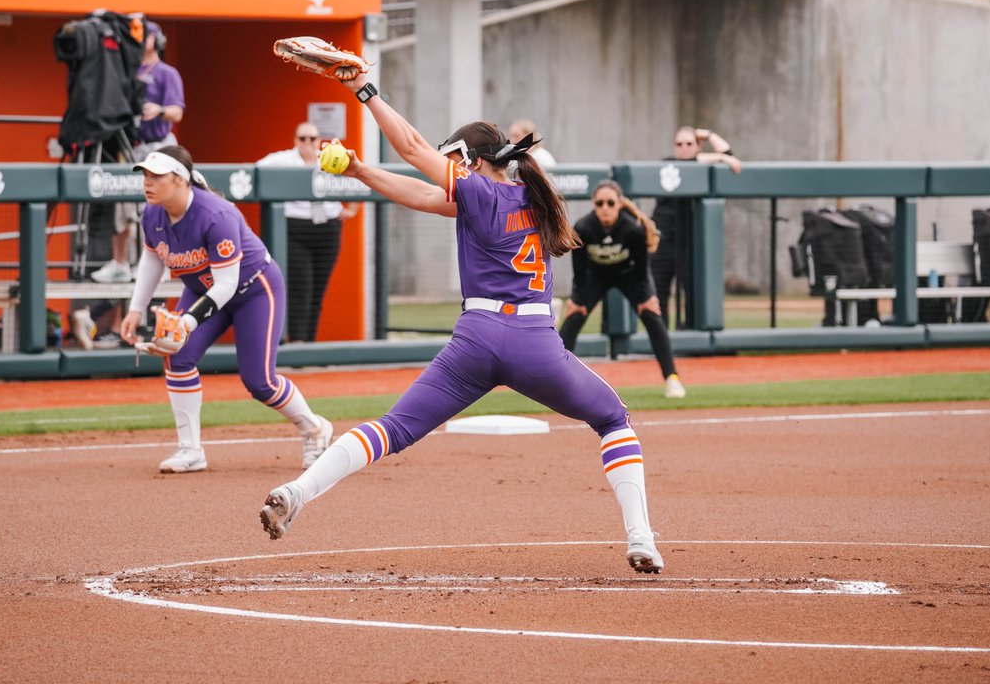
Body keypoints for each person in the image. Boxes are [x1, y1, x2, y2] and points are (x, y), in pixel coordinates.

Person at [258, 72, 666, 575]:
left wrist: (365, 90)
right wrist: (361, 170)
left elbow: (410, 148)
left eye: (452, 159)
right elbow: (421, 193)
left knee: (392, 428)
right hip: (537, 342)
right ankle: (641, 537)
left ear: (470, 162)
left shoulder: (478, 192)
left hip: (477, 339)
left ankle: (299, 492)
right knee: (612, 420)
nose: (446, 169)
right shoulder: (533, 197)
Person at [117, 145, 333, 473]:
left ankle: (315, 429)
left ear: (180, 180)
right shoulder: (152, 213)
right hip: (203, 290)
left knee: (260, 381)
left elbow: (227, 284)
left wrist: (187, 321)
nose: (148, 182)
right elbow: (152, 257)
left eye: (157, 176)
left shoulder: (215, 215)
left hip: (254, 290)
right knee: (177, 357)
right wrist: (136, 308)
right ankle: (190, 450)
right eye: (146, 175)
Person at [560, 179, 686, 399]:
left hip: (628, 275)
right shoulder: (583, 228)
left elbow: (641, 268)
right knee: (573, 317)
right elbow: (579, 271)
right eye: (600, 203)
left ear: (619, 204)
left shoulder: (633, 229)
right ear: (593, 204)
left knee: (653, 315)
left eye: (610, 202)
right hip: (596, 275)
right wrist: (577, 300)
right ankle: (556, 379)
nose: (605, 208)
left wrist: (645, 298)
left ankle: (672, 378)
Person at [91, 21, 186, 284]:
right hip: (131, 147)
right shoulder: (128, 72)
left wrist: (159, 110)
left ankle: (161, 264)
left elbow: (177, 111)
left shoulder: (167, 73)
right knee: (123, 206)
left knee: (156, 208)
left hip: (160, 146)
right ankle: (120, 263)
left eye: (144, 36)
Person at [255, 122, 358, 342]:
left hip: (328, 227)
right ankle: (298, 341)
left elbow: (359, 178)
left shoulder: (330, 158)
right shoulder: (282, 160)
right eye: (303, 139)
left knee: (318, 289)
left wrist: (351, 209)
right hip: (296, 228)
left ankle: (309, 344)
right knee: (301, 286)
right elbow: (254, 171)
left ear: (319, 140)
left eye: (312, 139)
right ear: (296, 140)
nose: (308, 143)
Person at [649, 126, 741, 330]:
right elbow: (691, 164)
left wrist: (709, 135)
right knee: (658, 290)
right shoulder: (666, 165)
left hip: (690, 240)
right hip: (663, 239)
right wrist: (719, 158)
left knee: (692, 290)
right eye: (679, 144)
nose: (683, 148)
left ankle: (691, 335)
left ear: (698, 146)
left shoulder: (703, 167)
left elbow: (732, 159)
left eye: (689, 144)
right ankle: (661, 337)